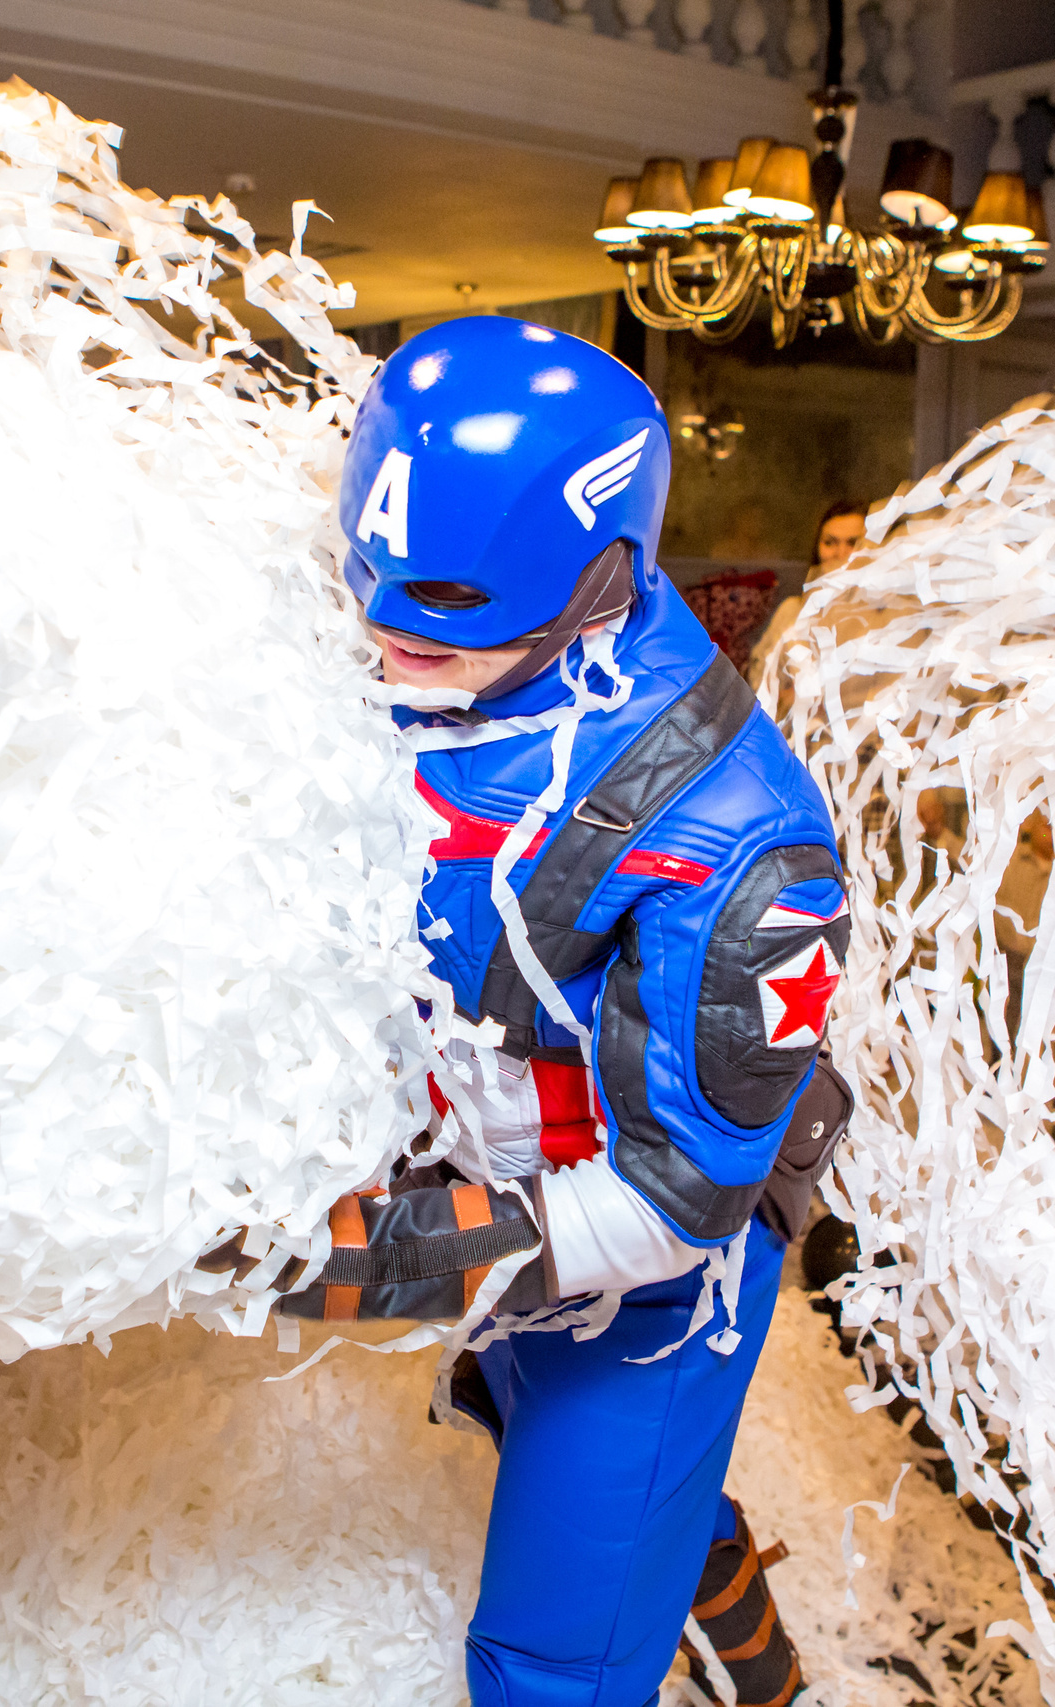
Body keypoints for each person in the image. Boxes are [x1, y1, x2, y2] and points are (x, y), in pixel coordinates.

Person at [278, 317, 854, 1707]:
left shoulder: (736, 831)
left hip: (643, 1273)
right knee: (590, 1494)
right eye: (376, 600)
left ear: (599, 583)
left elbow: (675, 1200)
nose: (391, 647)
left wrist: (351, 1253)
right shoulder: (421, 641)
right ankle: (725, 1622)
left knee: (550, 1659)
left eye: (448, 619)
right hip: (474, 1181)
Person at [742, 499, 867, 685]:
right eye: (829, 542)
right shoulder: (792, 612)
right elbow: (758, 681)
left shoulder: (886, 616)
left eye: (853, 543)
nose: (840, 553)